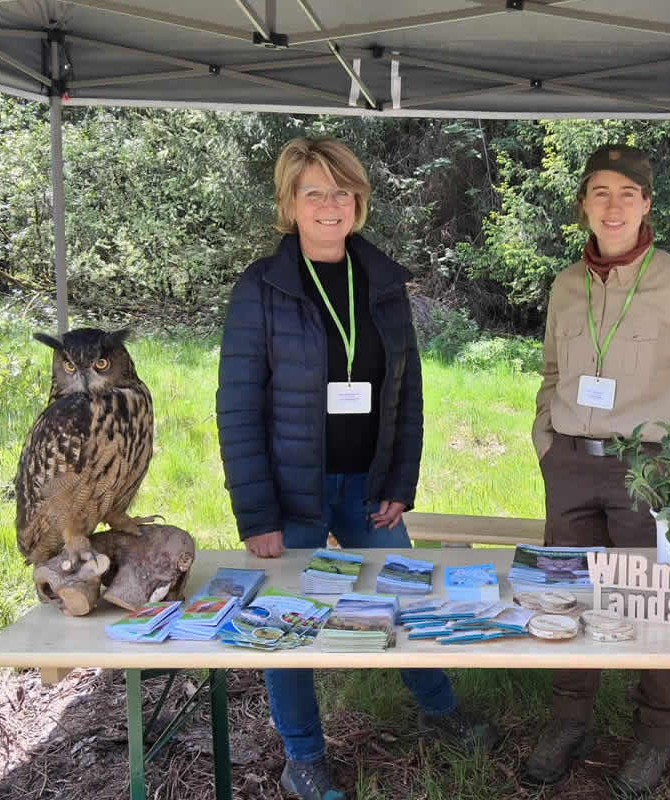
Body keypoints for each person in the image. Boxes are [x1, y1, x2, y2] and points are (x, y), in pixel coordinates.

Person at [216, 137, 496, 800]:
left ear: (359, 200)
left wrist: (401, 484)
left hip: (369, 489)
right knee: (289, 622)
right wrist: (255, 515)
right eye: (314, 192)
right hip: (291, 496)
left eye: (341, 191)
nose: (330, 204)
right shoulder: (261, 288)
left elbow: (410, 394)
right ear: (290, 203)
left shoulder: (384, 282)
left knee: (406, 599)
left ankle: (440, 711)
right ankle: (303, 758)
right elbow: (237, 407)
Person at [525, 145, 670, 795]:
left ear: (648, 203)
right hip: (569, 464)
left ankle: (656, 735)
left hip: (649, 470)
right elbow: (551, 375)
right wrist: (546, 442)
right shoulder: (567, 284)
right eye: (601, 193)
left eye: (628, 193)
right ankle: (569, 721)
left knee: (657, 603)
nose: (614, 205)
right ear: (583, 207)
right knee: (565, 595)